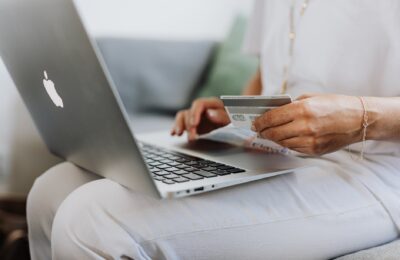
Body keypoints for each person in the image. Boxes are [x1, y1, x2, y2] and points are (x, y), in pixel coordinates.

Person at [27, 0, 400, 259]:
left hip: (369, 168)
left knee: (91, 221)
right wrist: (239, 112)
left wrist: (359, 116)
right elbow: (267, 74)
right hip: (274, 150)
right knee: (51, 190)